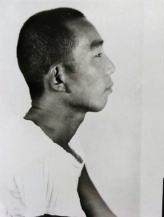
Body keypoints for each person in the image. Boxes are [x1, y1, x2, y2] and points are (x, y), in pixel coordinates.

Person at [0, 7, 116, 217]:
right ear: (58, 78)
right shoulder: (35, 159)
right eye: (97, 55)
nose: (110, 67)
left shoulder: (62, 144)